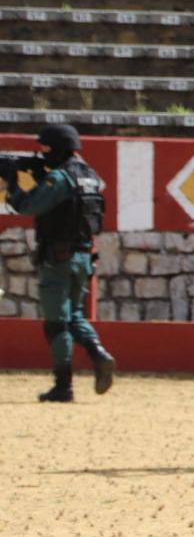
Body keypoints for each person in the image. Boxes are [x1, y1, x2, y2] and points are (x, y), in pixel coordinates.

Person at [0, 124, 114, 402]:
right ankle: (99, 352)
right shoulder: (89, 175)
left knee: (56, 324)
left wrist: (11, 183)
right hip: (83, 255)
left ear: (58, 148)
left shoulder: (60, 179)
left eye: (47, 147)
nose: (43, 152)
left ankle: (63, 386)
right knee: (74, 314)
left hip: (58, 257)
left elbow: (27, 206)